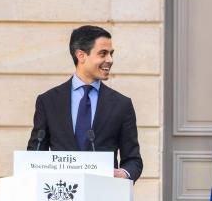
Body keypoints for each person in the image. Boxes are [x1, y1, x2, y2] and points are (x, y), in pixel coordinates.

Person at [27, 25, 143, 181]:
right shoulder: (48, 101)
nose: (110, 60)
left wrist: (124, 173)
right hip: (61, 196)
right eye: (103, 54)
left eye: (111, 54)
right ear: (81, 55)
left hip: (104, 195)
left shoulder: (122, 104)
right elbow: (35, 154)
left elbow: (133, 160)